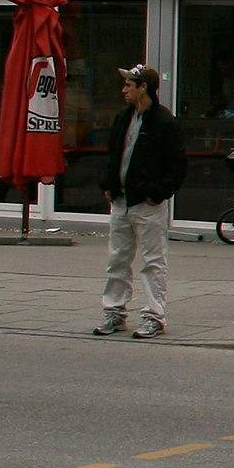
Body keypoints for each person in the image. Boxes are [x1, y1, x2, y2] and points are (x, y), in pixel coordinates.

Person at [93, 63, 185, 339]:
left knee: (153, 260)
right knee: (117, 258)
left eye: (128, 85)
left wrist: (157, 193)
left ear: (143, 87)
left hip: (147, 203)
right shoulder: (124, 118)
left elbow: (177, 166)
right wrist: (109, 184)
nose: (124, 90)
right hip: (122, 199)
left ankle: (154, 316)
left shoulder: (165, 122)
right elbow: (114, 154)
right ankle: (115, 311)